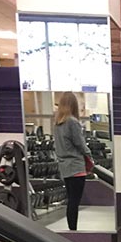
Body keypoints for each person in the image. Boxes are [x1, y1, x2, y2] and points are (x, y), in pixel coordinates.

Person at [53, 92, 93, 231]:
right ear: (74, 104)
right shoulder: (72, 122)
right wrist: (89, 156)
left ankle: (72, 229)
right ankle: (73, 231)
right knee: (75, 202)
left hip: (64, 167)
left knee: (71, 201)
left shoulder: (58, 123)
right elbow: (80, 143)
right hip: (76, 167)